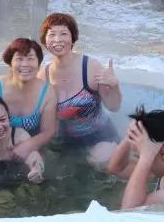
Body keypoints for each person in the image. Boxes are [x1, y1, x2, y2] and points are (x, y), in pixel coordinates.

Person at [37, 13, 121, 149]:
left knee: (100, 158)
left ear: (72, 38)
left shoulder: (91, 67)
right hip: (65, 141)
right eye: (51, 34)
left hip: (100, 136)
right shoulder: (43, 75)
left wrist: (114, 86)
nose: (57, 39)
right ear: (45, 40)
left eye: (64, 33)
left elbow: (113, 107)